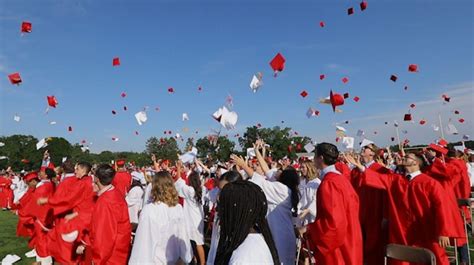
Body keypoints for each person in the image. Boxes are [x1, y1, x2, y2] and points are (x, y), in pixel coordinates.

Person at [345, 151, 452, 265]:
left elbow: (442, 208)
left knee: (430, 256)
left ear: (415, 162)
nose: (403, 157)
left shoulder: (430, 183)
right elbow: (378, 178)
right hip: (402, 230)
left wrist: (443, 232)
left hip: (424, 229)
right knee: (402, 259)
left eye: (407, 157)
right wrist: (361, 167)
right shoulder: (397, 180)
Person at [231, 141, 300, 265]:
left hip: (280, 235)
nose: (276, 171)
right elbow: (266, 169)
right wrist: (257, 151)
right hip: (278, 232)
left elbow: (258, 179)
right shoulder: (282, 186)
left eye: (280, 170)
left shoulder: (282, 190)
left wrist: (243, 165)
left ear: (284, 177)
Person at [307, 143, 362, 264]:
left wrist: (309, 229)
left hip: (337, 246)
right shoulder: (342, 179)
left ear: (321, 158)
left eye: (315, 155)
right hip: (350, 238)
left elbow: (333, 222)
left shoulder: (330, 182)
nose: (313, 159)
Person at [129, 171, 192, 264]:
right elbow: (183, 236)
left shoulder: (150, 210)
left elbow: (143, 244)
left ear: (154, 187)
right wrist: (185, 257)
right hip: (174, 260)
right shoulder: (178, 208)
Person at [37, 161, 95, 264]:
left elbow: (68, 199)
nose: (75, 171)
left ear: (83, 170)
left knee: (68, 246)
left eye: (77, 169)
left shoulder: (82, 183)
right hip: (84, 215)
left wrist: (47, 200)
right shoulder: (89, 180)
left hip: (81, 218)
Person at [215, 180, 280, 265]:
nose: (217, 210)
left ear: (236, 212)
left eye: (222, 207)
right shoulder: (251, 242)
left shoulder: (243, 259)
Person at [349, 141, 390, 265]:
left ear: (372, 153)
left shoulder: (381, 170)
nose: (363, 149)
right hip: (359, 213)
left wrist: (386, 215)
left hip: (376, 213)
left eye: (366, 148)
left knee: (374, 246)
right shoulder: (355, 171)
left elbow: (387, 195)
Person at [81, 164, 131, 265]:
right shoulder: (115, 193)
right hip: (119, 251)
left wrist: (97, 259)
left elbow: (104, 237)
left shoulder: (105, 202)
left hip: (109, 257)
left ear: (97, 179)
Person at [207, 171, 243, 265]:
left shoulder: (242, 217)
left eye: (224, 190)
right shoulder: (221, 210)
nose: (219, 195)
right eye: (219, 190)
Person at [174, 168, 206, 265]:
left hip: (192, 219)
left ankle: (203, 262)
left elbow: (179, 183)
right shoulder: (202, 189)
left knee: (197, 242)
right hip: (198, 218)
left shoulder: (190, 191)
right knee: (195, 241)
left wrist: (178, 168)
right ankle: (196, 260)